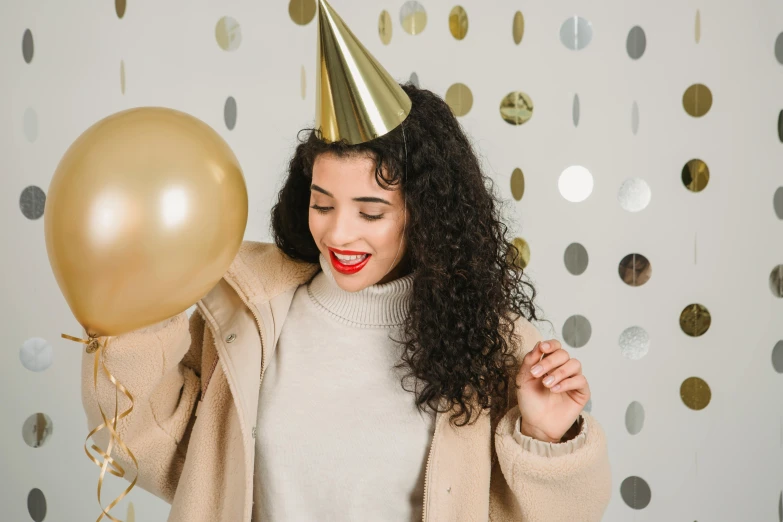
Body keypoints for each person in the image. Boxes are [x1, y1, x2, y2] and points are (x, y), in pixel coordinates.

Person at [80, 2, 611, 521]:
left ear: (423, 214)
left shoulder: (491, 343)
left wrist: (545, 439)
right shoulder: (245, 313)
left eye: (371, 211)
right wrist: (127, 330)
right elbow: (161, 456)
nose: (338, 233)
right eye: (322, 203)